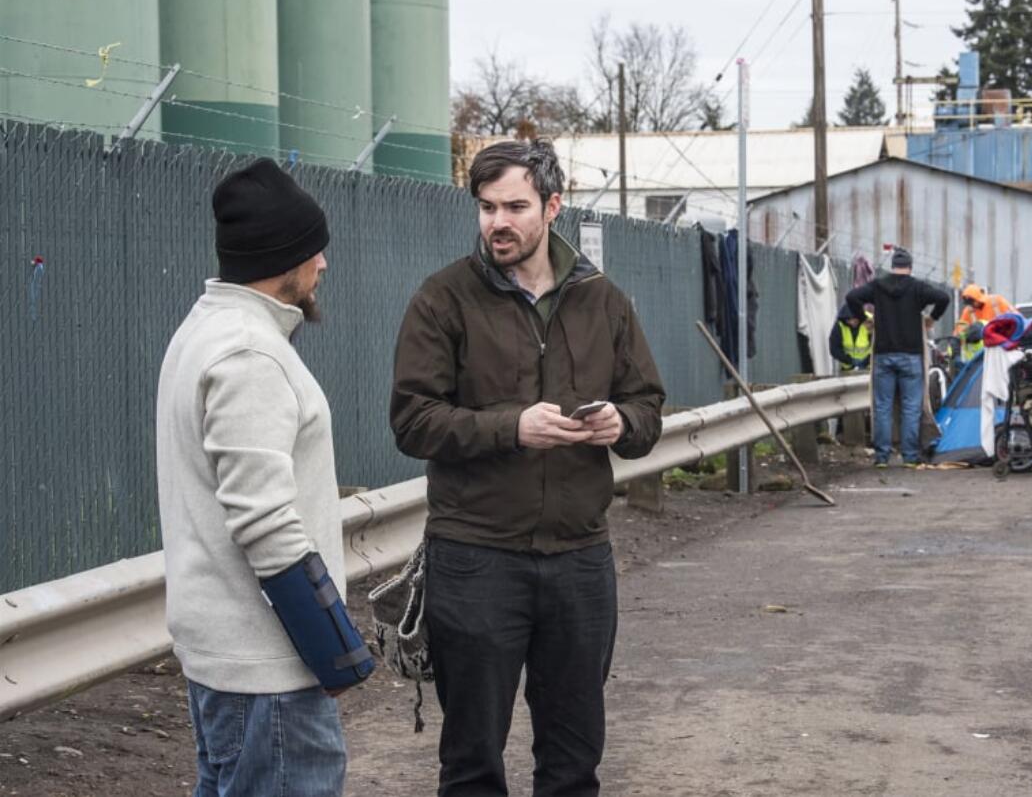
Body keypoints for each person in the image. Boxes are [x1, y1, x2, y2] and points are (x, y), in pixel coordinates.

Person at [390, 138, 665, 797]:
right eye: (486, 208)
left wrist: (620, 423)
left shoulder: (604, 301)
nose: (497, 223)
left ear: (553, 206)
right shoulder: (444, 299)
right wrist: (511, 427)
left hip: (579, 561)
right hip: (476, 558)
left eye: (515, 205)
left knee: (573, 764)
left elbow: (648, 409)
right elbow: (412, 421)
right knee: (472, 763)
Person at [156, 158, 372, 797]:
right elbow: (263, 520)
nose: (324, 265)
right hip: (268, 673)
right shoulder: (250, 354)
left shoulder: (203, 329)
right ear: (286, 264)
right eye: (315, 252)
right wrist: (333, 648)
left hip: (230, 660)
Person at [845, 247, 950, 468]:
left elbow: (852, 297)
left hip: (883, 354)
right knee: (911, 406)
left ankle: (882, 457)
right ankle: (909, 456)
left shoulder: (877, 285)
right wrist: (932, 318)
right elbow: (943, 297)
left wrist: (863, 317)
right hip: (911, 355)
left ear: (892, 266)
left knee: (882, 406)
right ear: (910, 267)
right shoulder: (917, 287)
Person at [954, 284, 1013, 361]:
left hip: (1004, 346)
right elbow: (959, 331)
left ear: (978, 298)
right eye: (969, 303)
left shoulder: (997, 302)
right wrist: (955, 341)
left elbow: (1015, 319)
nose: (971, 305)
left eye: (972, 301)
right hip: (984, 352)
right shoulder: (968, 311)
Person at [829, 304, 873, 372]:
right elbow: (834, 349)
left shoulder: (870, 321)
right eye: (849, 320)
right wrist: (849, 360)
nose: (852, 323)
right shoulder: (840, 326)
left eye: (854, 320)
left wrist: (868, 360)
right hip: (848, 367)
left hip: (869, 367)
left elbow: (879, 344)